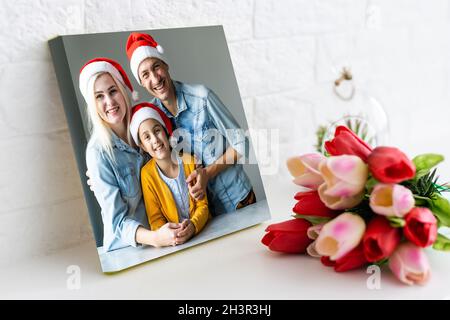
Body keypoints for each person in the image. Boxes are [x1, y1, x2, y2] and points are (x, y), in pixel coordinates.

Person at [125, 32, 257, 216]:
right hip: (201, 214)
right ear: (141, 83)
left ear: (166, 65)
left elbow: (243, 144)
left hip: (239, 200)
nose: (155, 78)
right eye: (145, 74)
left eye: (156, 67)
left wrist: (207, 173)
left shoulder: (202, 97)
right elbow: (144, 157)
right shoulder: (151, 118)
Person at [79, 57, 183, 251]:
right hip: (128, 250)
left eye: (112, 91)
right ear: (93, 104)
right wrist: (155, 238)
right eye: (99, 96)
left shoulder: (144, 127)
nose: (109, 101)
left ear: (123, 91)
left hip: (165, 237)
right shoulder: (98, 153)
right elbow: (117, 223)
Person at [130, 102, 210, 244]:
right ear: (142, 145)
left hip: (204, 233)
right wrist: (171, 235)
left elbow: (202, 205)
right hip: (173, 244)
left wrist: (193, 225)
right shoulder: (146, 175)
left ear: (166, 131)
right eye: (147, 137)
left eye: (157, 131)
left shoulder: (189, 161)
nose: (155, 140)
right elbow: (155, 219)